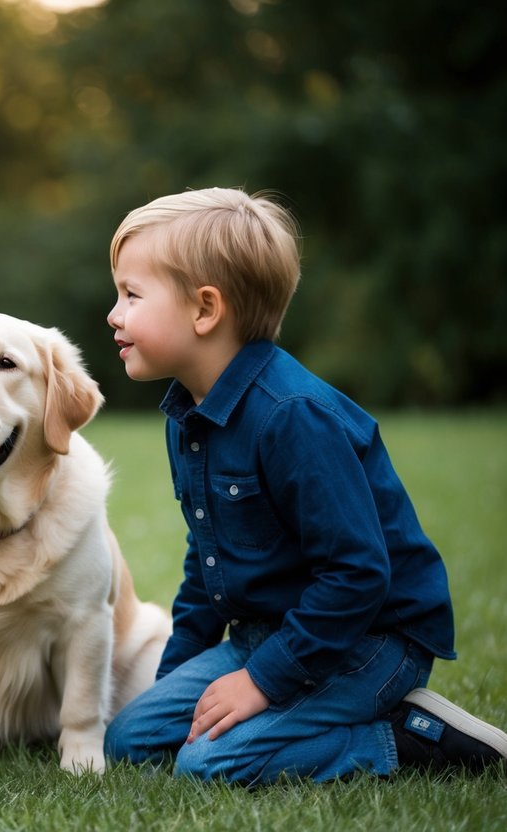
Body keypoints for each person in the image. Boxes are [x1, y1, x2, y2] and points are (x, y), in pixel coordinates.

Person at [101, 187, 507, 784]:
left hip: (368, 641)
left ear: (205, 310)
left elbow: (359, 574)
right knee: (131, 738)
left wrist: (262, 681)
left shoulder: (291, 416)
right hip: (268, 634)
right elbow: (206, 555)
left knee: (207, 762)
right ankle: (302, 713)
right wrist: (180, 681)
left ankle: (409, 738)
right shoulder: (188, 416)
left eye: (131, 295)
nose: (114, 314)